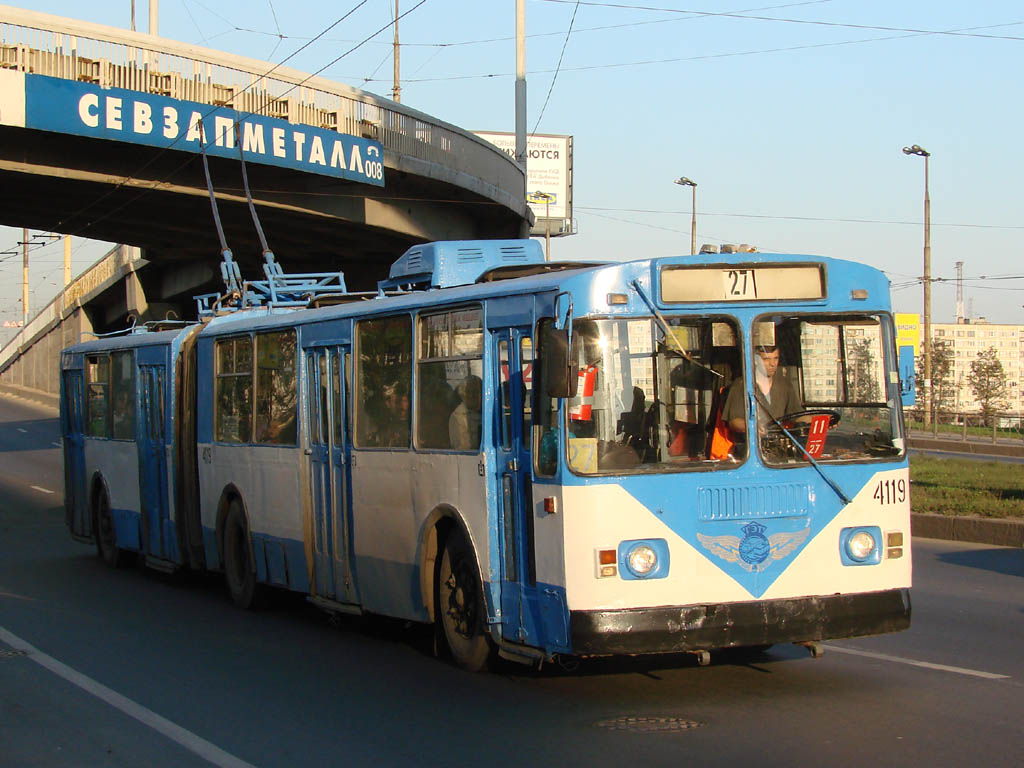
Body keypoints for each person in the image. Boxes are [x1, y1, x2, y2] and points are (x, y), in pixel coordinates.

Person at [723, 345, 802, 435]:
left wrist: (813, 418)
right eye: (766, 359)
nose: (773, 364)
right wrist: (752, 427)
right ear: (755, 360)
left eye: (776, 358)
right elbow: (734, 422)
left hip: (779, 440)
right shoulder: (741, 385)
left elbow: (797, 415)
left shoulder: (785, 385)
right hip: (750, 440)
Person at [449, 374, 482, 450]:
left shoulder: (485, 412)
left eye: (476, 392)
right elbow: (462, 448)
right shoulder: (457, 416)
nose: (472, 396)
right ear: (463, 394)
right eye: (469, 392)